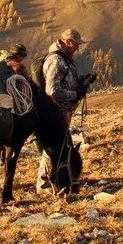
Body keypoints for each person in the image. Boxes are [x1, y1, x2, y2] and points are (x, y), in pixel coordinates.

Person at [37, 29, 94, 191]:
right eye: (76, 44)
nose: (78, 48)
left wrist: (82, 83)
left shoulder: (65, 59)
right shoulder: (57, 60)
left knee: (60, 148)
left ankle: (54, 181)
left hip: (61, 113)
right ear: (68, 42)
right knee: (53, 150)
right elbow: (52, 91)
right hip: (56, 113)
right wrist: (75, 94)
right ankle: (44, 184)